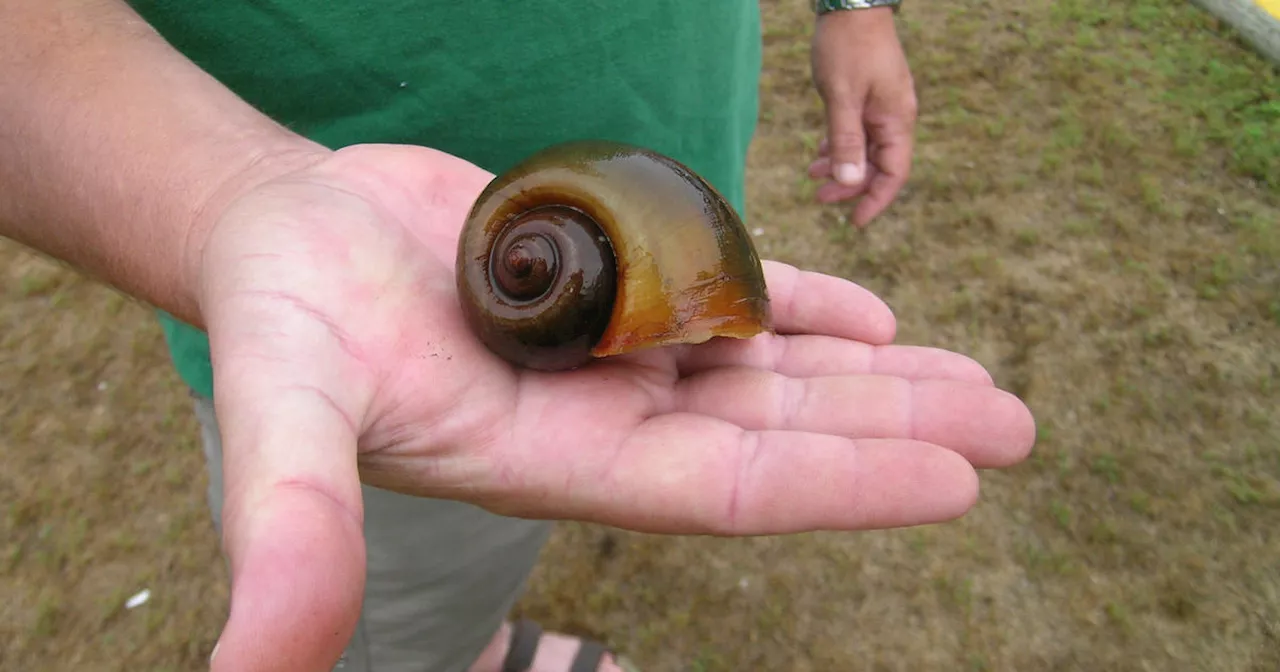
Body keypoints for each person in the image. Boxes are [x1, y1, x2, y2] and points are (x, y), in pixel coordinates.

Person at [0, 1, 1036, 671]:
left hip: (650, 166)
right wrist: (224, 198)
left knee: (482, 552)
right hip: (373, 325)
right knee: (390, 598)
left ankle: (469, 645)